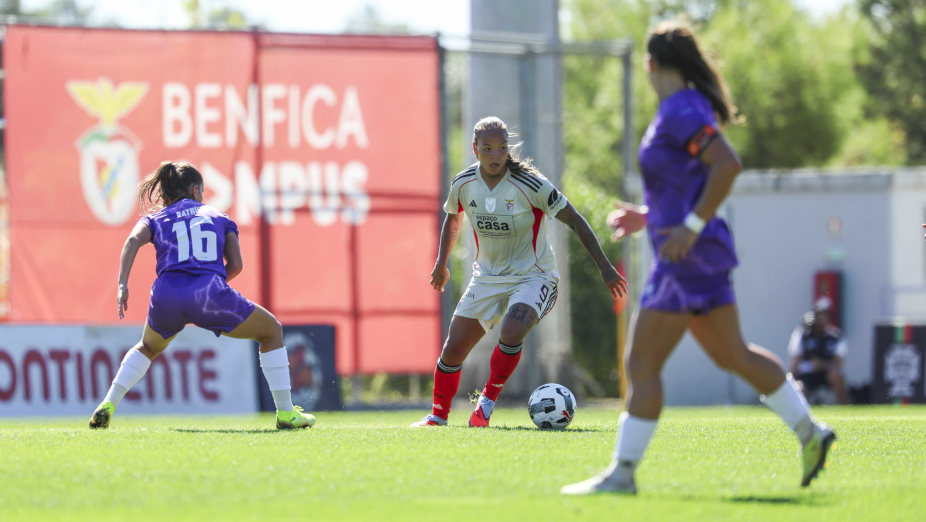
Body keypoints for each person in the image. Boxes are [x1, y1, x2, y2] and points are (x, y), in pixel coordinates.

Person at [561, 22, 835, 495]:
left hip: (685, 256)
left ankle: (622, 475)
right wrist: (648, 217)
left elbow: (726, 165)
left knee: (642, 363)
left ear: (650, 64)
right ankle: (811, 432)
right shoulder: (682, 109)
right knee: (734, 355)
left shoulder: (680, 109)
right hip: (698, 250)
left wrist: (686, 228)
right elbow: (687, 184)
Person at [410, 116, 627, 428]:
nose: (495, 155)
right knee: (453, 348)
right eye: (487, 149)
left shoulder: (531, 185)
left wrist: (605, 267)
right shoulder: (463, 184)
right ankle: (437, 417)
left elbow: (576, 220)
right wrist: (441, 263)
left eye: (501, 148)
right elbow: (453, 217)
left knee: (511, 330)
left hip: (534, 276)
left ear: (507, 149)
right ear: (475, 149)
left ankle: (485, 404)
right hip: (486, 277)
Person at [89, 161, 316, 430]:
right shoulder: (219, 217)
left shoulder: (156, 218)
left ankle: (108, 403)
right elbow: (236, 265)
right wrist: (208, 288)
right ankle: (286, 413)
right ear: (196, 190)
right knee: (271, 331)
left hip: (167, 296)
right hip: (210, 294)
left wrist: (122, 284)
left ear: (169, 194)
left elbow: (132, 241)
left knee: (147, 348)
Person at [788, 297, 849, 405]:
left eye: (823, 315)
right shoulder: (802, 335)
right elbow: (795, 362)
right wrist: (790, 380)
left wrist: (821, 365)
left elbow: (838, 364)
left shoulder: (836, 337)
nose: (820, 318)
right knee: (799, 387)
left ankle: (845, 407)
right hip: (806, 376)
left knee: (837, 377)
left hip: (826, 374)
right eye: (818, 314)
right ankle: (800, 413)